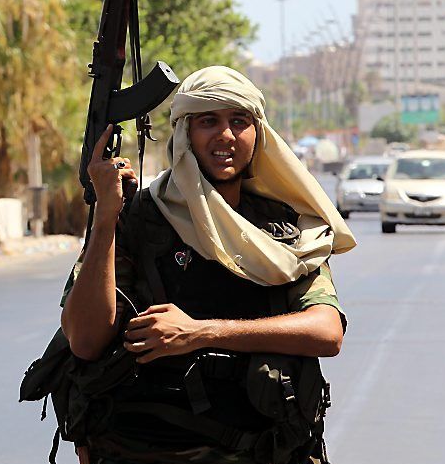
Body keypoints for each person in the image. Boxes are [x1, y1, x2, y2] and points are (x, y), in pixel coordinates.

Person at [60, 66, 356, 464]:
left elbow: (325, 331)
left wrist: (201, 333)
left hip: (263, 449)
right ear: (185, 133)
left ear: (258, 134)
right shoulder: (140, 218)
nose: (226, 135)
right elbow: (85, 339)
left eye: (239, 121)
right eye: (207, 121)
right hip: (145, 449)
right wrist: (107, 218)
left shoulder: (286, 230)